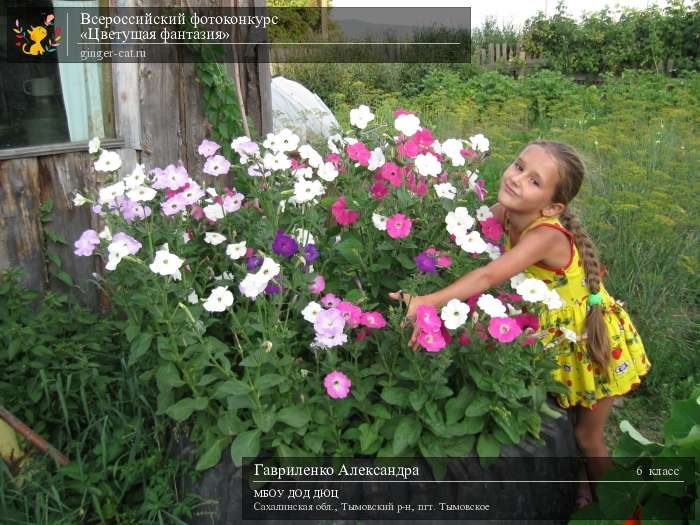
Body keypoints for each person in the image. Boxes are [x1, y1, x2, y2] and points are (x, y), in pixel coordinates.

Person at [389, 140, 652, 508]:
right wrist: (435, 252)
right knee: (567, 423)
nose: (516, 179)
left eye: (534, 181)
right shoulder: (507, 213)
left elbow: (487, 275)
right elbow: (467, 238)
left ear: (552, 206)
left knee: (587, 435)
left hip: (590, 340)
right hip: (555, 336)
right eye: (518, 166)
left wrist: (425, 302)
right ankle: (580, 495)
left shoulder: (545, 234)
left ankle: (623, 511)